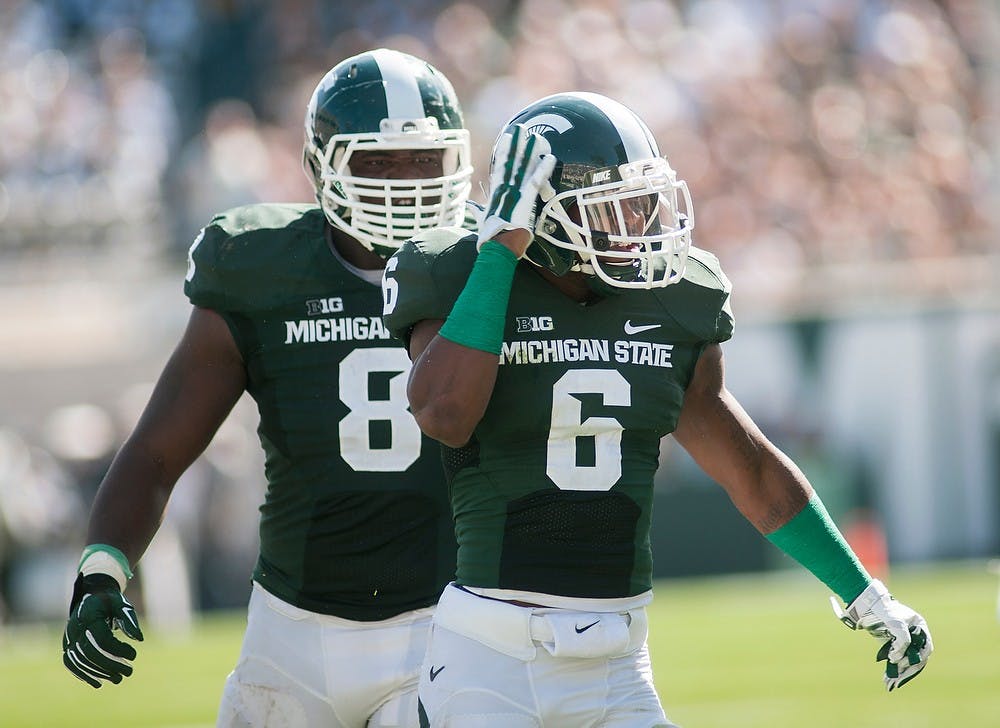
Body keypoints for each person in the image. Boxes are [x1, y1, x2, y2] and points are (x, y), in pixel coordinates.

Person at [381, 91, 933, 727]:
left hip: (619, 660)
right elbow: (443, 413)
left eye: (643, 205)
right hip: (490, 658)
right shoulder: (453, 269)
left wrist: (862, 591)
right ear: (542, 213)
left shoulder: (676, 301)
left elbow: (750, 471)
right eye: (612, 211)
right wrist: (500, 250)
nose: (639, 227)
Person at [61, 48, 474, 728]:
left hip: (450, 623)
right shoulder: (259, 268)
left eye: (424, 160)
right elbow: (158, 451)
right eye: (378, 161)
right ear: (323, 165)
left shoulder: (490, 265)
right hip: (293, 630)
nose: (405, 183)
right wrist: (103, 566)